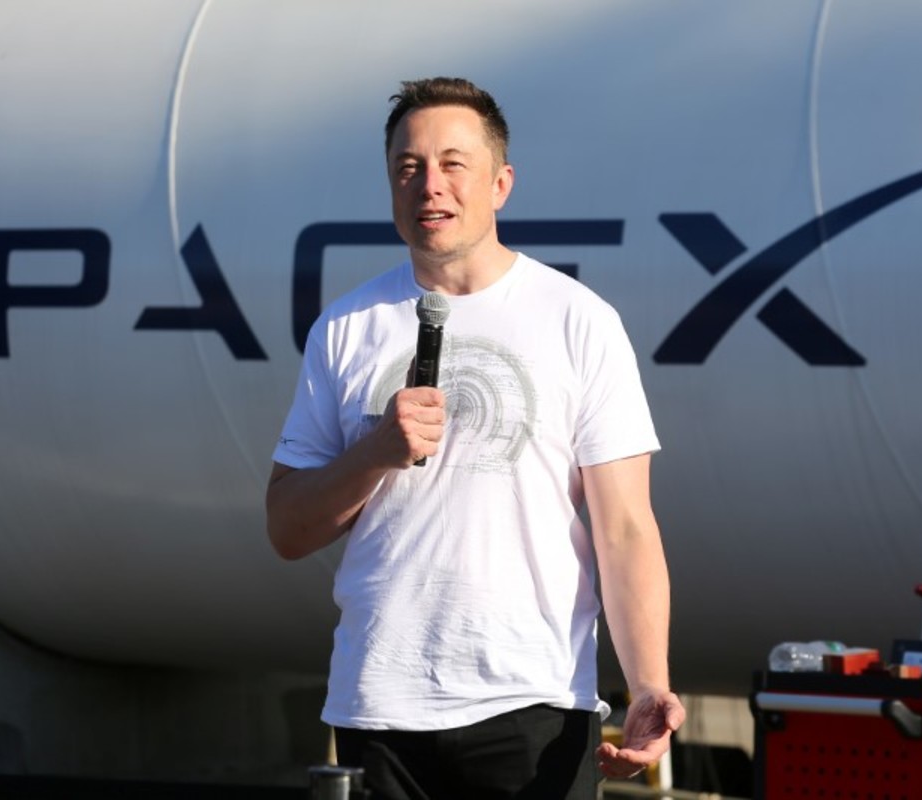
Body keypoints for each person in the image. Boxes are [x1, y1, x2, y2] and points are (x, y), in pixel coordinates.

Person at [267, 76, 683, 798]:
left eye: (453, 164)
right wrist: (376, 453)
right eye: (408, 168)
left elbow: (624, 527)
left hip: (533, 704)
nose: (430, 185)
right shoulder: (346, 327)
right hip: (379, 704)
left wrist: (649, 682)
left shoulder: (577, 320)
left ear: (500, 184)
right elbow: (287, 528)